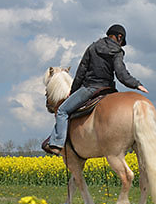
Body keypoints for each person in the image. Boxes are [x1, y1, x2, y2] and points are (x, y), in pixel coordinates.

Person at [42, 24, 148, 156]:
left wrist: (73, 91)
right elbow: (121, 74)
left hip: (90, 88)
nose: (121, 45)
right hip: (108, 89)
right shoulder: (117, 51)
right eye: (122, 42)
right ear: (119, 37)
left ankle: (57, 144)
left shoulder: (92, 48)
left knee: (62, 111)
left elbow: (81, 72)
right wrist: (136, 84)